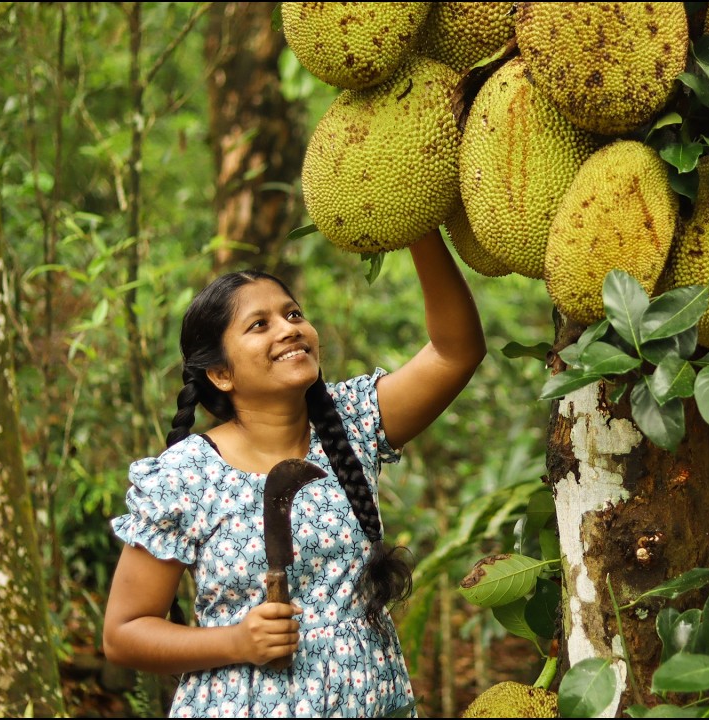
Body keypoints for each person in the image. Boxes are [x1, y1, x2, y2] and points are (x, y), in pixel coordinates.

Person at [102, 228, 485, 718]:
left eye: (293, 314)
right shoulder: (186, 475)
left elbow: (457, 350)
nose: (288, 328)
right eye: (259, 325)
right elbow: (124, 633)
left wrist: (419, 227)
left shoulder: (353, 423)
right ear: (221, 374)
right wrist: (237, 642)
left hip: (370, 701)